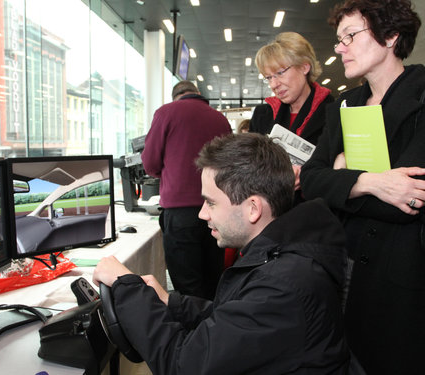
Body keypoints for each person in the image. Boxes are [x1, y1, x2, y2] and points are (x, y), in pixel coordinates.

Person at [93, 133, 350, 375]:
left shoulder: (283, 284)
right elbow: (230, 322)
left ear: (253, 209)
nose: (202, 214)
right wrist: (171, 303)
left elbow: (183, 366)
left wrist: (126, 287)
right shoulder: (277, 256)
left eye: (211, 202)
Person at [300, 1, 424, 374]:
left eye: (350, 36)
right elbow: (310, 180)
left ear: (390, 36)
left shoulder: (421, 98)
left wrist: (341, 177)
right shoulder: (346, 104)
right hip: (344, 263)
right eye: (339, 40)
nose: (339, 48)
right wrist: (370, 181)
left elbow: (408, 198)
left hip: (401, 275)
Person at [141, 80, 231, 300]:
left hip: (180, 213)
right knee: (213, 279)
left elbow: (150, 164)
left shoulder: (166, 113)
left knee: (187, 284)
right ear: (198, 94)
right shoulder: (220, 119)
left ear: (175, 97)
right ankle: (215, 326)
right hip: (217, 209)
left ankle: (192, 331)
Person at [250, 31, 334, 193]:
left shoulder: (332, 112)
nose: (274, 84)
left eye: (280, 73)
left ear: (304, 66)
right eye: (268, 77)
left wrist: (310, 176)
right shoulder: (263, 114)